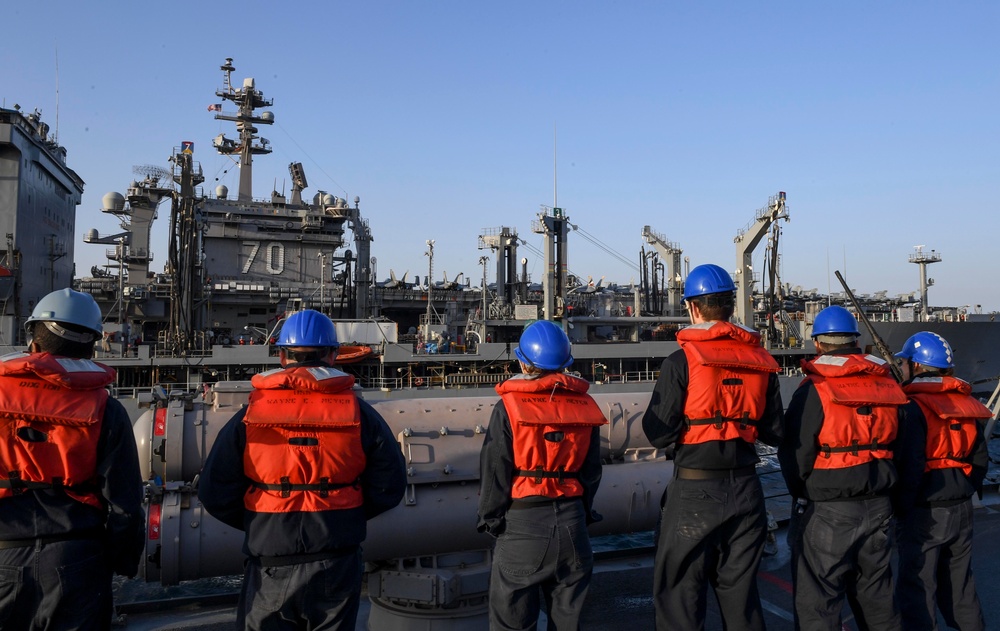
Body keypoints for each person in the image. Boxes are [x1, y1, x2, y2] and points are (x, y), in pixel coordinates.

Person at [198, 309, 406, 630]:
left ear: (282, 356)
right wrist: (343, 515)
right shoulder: (360, 413)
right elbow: (390, 485)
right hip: (337, 555)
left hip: (269, 558)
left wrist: (262, 521)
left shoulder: (248, 416)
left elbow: (214, 491)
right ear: (334, 355)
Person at [641, 264, 784, 631]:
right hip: (748, 492)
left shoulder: (680, 362)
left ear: (693, 308)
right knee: (741, 599)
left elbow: (657, 433)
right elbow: (775, 432)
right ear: (731, 307)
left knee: (680, 597)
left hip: (694, 491)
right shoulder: (763, 363)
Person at [0, 288, 144, 630]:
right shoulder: (106, 409)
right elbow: (125, 506)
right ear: (91, 348)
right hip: (77, 560)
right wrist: (120, 561)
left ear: (32, 343)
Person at [778, 304, 908, 631]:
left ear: (818, 344)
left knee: (818, 605)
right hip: (879, 504)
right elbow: (904, 447)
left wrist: (805, 492)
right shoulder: (888, 385)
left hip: (827, 509)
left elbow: (794, 452)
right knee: (879, 601)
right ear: (855, 338)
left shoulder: (814, 389)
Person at [477, 320, 606, 630]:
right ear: (566, 363)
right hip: (573, 523)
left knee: (512, 623)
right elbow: (591, 472)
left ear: (523, 361)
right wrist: (582, 513)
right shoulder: (585, 406)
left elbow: (495, 469)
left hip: (523, 524)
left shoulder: (508, 407)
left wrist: (492, 521)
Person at [893, 332, 991, 630]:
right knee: (961, 587)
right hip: (961, 505)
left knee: (918, 586)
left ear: (917, 366)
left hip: (924, 510)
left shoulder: (910, 406)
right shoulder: (966, 403)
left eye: (905, 362)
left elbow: (910, 465)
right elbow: (979, 460)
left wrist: (903, 507)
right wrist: (964, 488)